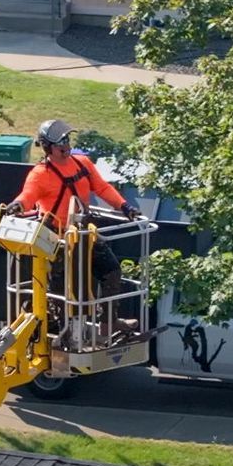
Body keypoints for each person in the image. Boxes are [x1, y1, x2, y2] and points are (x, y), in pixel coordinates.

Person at [12, 119, 143, 329]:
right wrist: (18, 205)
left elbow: (101, 188)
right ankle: (64, 330)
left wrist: (125, 207)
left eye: (66, 140)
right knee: (62, 288)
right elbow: (28, 195)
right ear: (47, 147)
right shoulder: (40, 174)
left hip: (82, 233)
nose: (65, 146)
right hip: (56, 237)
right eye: (59, 143)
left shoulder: (82, 163)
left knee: (111, 271)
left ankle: (109, 321)